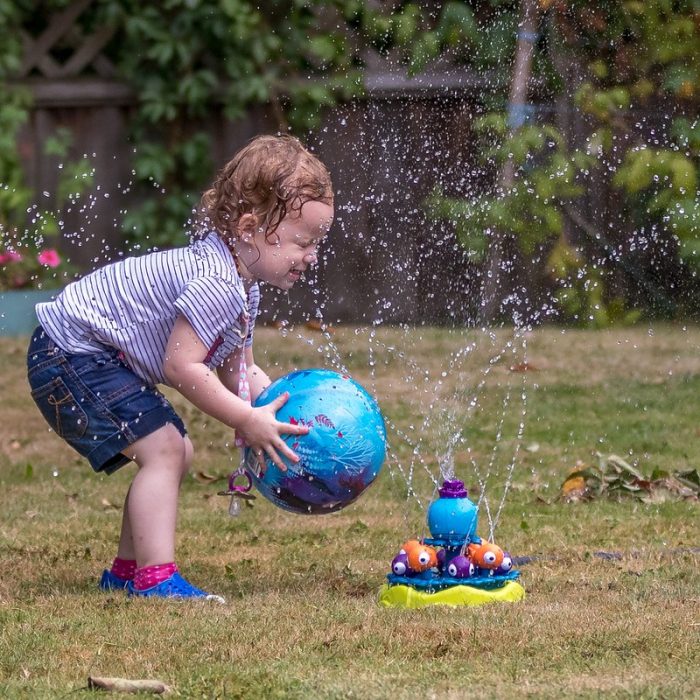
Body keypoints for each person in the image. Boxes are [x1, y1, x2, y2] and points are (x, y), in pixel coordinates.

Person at [26, 135, 334, 602]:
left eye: (317, 243)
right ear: (250, 228)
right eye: (303, 242)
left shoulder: (243, 288)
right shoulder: (218, 284)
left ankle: (126, 573)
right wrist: (244, 418)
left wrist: (271, 403)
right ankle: (154, 580)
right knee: (167, 450)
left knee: (176, 451)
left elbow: (237, 370)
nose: (312, 256)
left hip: (88, 354)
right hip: (69, 352)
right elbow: (183, 366)